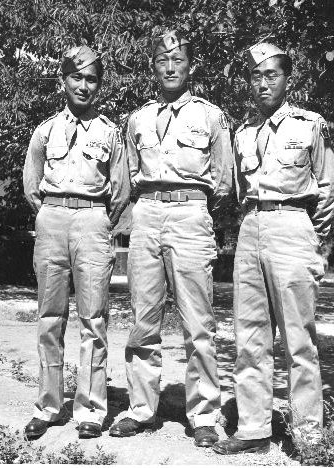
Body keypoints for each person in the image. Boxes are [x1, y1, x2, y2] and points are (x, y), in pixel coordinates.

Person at [213, 42, 334, 455]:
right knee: (249, 335)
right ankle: (253, 429)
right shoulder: (243, 133)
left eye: (272, 75)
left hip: (293, 225)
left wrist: (308, 232)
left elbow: (329, 186)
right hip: (251, 226)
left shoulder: (309, 125)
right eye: (256, 76)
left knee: (299, 339)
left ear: (287, 80)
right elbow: (237, 190)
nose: (264, 83)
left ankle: (309, 435)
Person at [109, 30, 234, 447]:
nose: (170, 66)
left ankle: (203, 414)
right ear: (152, 67)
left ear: (190, 66)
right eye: (162, 60)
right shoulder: (137, 119)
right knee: (143, 318)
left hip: (191, 214)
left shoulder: (211, 116)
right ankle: (143, 409)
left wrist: (192, 209)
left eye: (177, 59)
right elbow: (127, 174)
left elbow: (223, 179)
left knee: (198, 322)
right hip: (145, 215)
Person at [22, 44, 129, 440]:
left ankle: (90, 410)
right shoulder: (45, 130)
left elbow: (120, 189)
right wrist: (50, 211)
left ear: (99, 85)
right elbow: (31, 184)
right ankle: (48, 406)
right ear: (63, 80)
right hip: (51, 219)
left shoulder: (110, 132)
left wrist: (96, 220)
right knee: (50, 317)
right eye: (76, 77)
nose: (84, 86)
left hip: (92, 221)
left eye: (92, 79)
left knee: (93, 318)